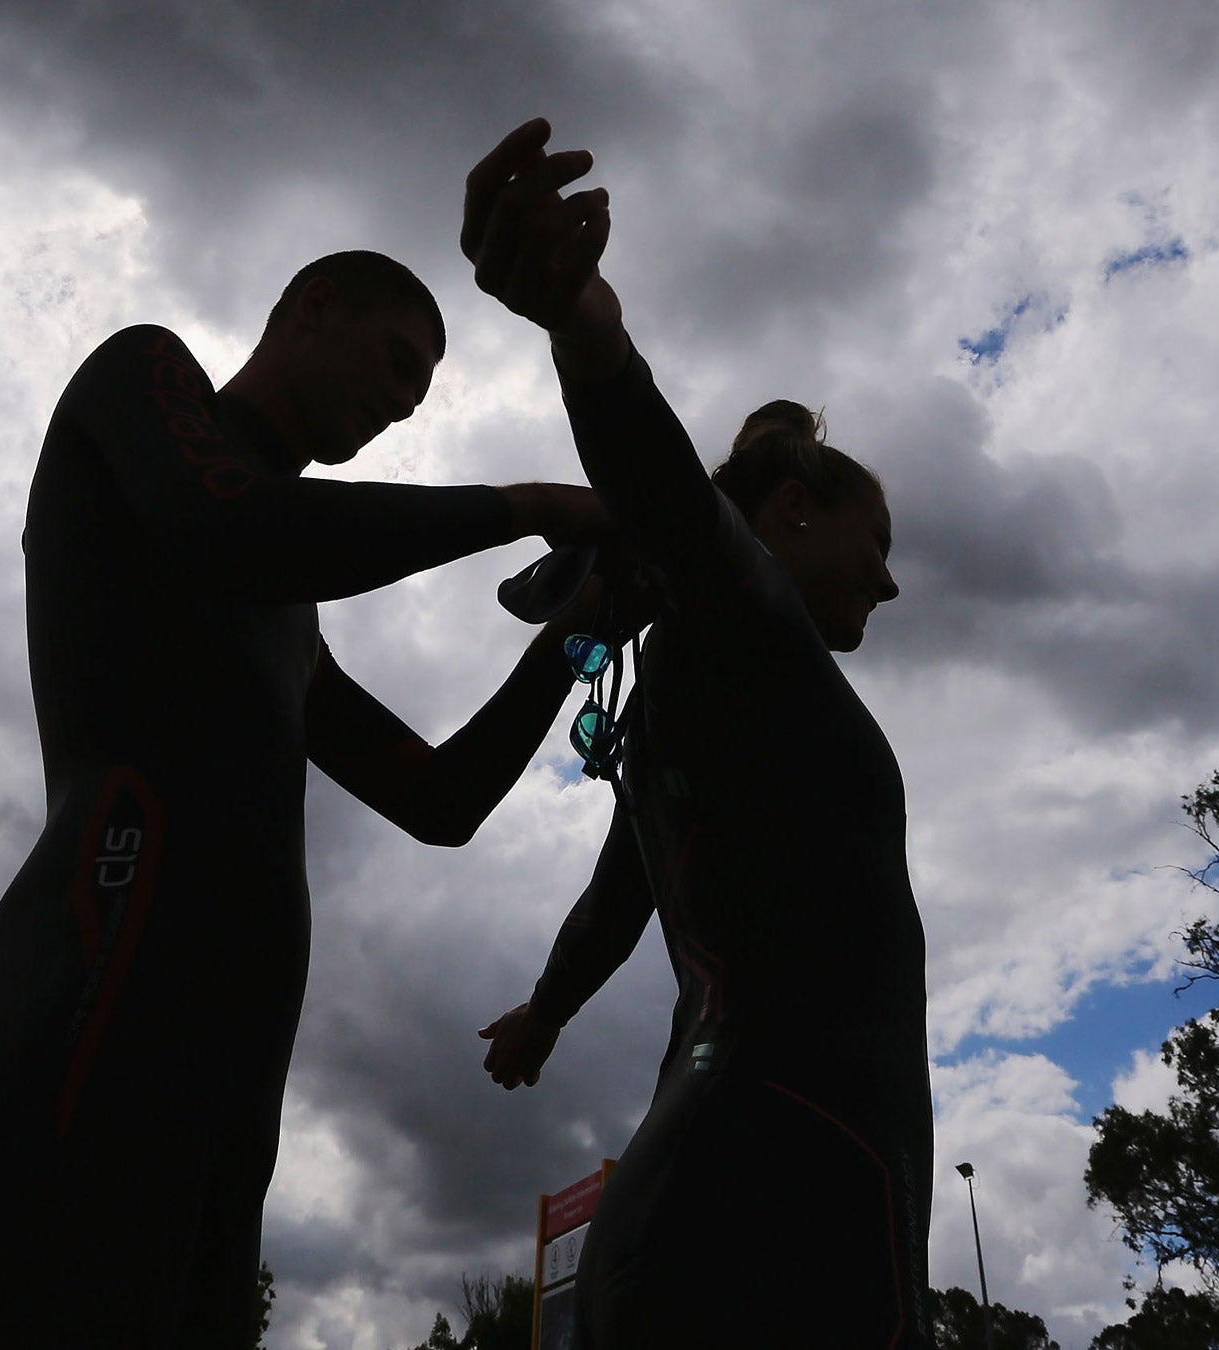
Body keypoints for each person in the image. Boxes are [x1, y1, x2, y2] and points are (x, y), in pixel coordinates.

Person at [0, 250, 611, 1348]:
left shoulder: (289, 619)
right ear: (311, 311)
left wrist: (580, 627)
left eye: (421, 392)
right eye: (397, 362)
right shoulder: (141, 382)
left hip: (224, 1080)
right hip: (77, 1007)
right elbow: (231, 527)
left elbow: (440, 799)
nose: (404, 403)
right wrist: (526, 503)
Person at [464, 122, 934, 1348]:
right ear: (791, 510)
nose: (887, 586)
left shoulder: (691, 690)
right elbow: (673, 498)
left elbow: (626, 889)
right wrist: (585, 325)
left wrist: (547, 1011)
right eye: (876, 546)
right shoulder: (752, 625)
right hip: (811, 1170)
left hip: (692, 1169)